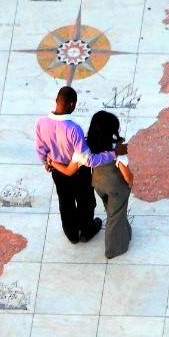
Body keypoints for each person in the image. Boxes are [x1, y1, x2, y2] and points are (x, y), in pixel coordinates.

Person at [34, 87, 127, 244]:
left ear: (56, 101)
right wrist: (114, 153)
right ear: (72, 105)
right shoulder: (73, 129)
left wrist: (47, 163)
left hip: (57, 170)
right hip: (78, 173)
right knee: (85, 201)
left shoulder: (40, 123)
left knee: (65, 200)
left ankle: (71, 234)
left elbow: (40, 148)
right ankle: (86, 230)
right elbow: (88, 160)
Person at [49, 110, 132, 259]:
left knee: (111, 210)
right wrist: (130, 183)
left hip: (99, 184)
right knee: (115, 215)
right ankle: (113, 249)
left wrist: (52, 162)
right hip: (115, 187)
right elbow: (126, 174)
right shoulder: (118, 148)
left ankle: (124, 230)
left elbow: (69, 170)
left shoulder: (85, 146)